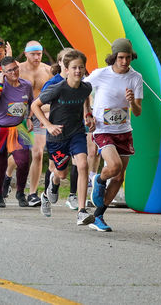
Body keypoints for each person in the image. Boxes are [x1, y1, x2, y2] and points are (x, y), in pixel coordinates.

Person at [31, 49, 96, 225]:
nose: (78, 71)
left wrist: (88, 114)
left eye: (81, 68)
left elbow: (85, 100)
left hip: (76, 133)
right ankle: (48, 191)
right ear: (66, 69)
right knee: (62, 173)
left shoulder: (86, 87)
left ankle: (82, 212)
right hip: (57, 137)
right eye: (74, 68)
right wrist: (48, 125)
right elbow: (35, 105)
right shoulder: (57, 88)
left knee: (82, 165)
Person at [86, 38, 144, 232]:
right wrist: (88, 112)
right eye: (121, 57)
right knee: (114, 166)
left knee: (119, 177)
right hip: (103, 129)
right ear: (113, 57)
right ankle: (99, 180)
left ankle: (98, 216)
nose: (125, 62)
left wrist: (132, 102)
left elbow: (137, 111)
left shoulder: (135, 77)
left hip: (124, 131)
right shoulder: (100, 74)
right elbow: (82, 91)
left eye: (128, 57)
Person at [0, 56, 33, 208]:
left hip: (18, 127)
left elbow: (32, 103)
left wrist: (29, 117)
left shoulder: (26, 85)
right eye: (10, 70)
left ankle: (21, 193)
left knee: (23, 161)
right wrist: (0, 85)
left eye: (15, 68)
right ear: (3, 73)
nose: (14, 72)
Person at [19, 40, 53, 207]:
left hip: (40, 114)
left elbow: (56, 94)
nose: (37, 57)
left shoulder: (48, 70)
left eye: (39, 53)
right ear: (26, 54)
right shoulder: (18, 69)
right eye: (33, 54)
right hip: (20, 115)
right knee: (21, 155)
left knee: (38, 153)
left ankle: (32, 193)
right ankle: (7, 174)